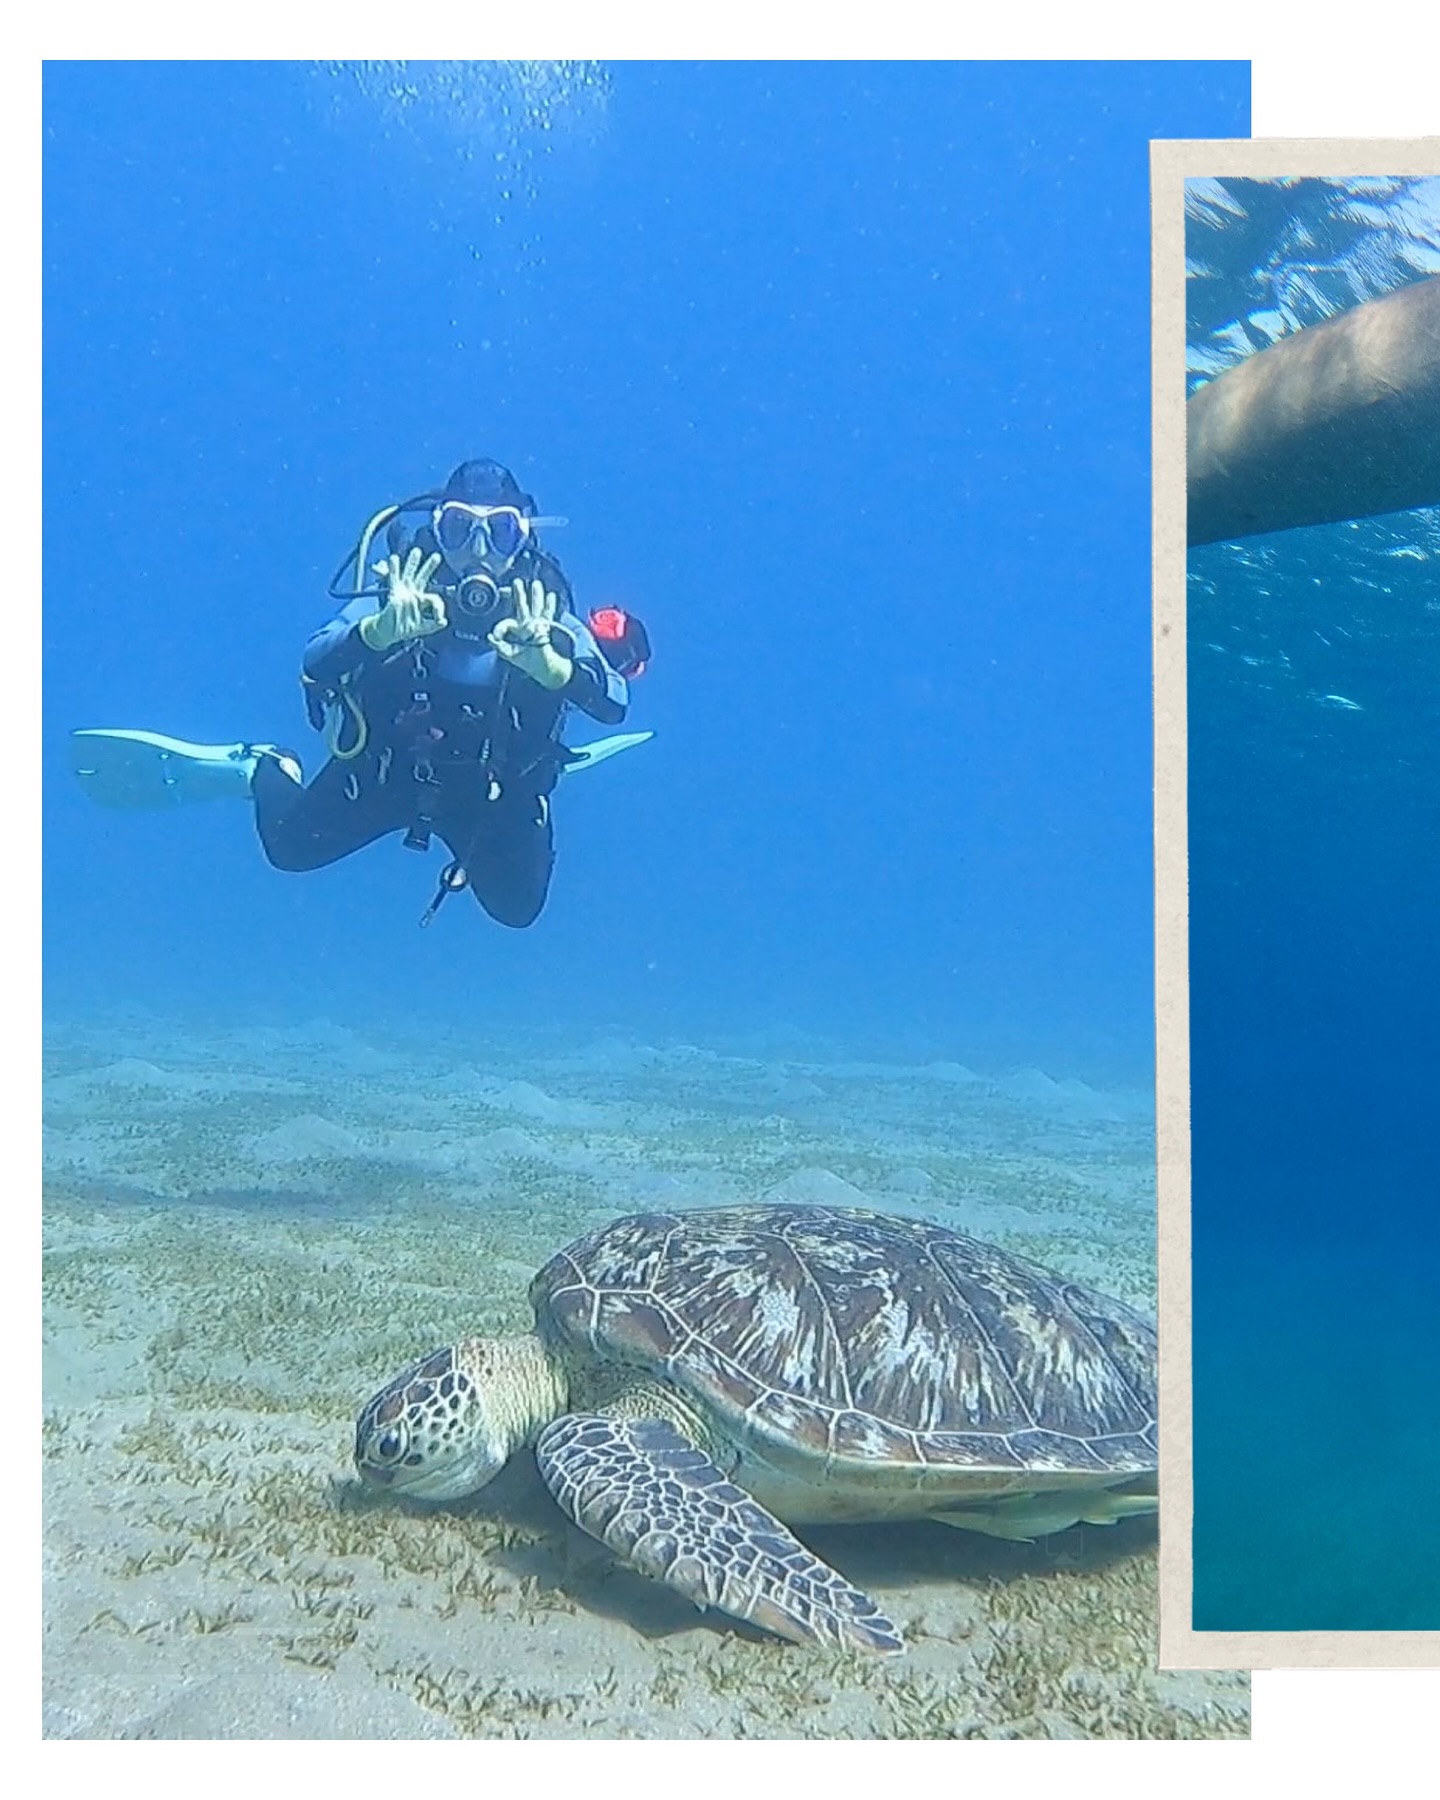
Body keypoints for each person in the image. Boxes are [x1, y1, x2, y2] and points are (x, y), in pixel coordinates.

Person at [70, 459, 653, 927]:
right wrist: (381, 631)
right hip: (386, 773)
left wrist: (552, 668)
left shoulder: (542, 606)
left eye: (500, 532)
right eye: (458, 529)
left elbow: (613, 703)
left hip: (492, 791)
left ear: (522, 537)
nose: (478, 551)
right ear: (436, 530)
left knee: (518, 911)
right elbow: (316, 661)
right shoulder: (401, 586)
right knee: (289, 851)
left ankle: (541, 771)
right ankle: (261, 769)